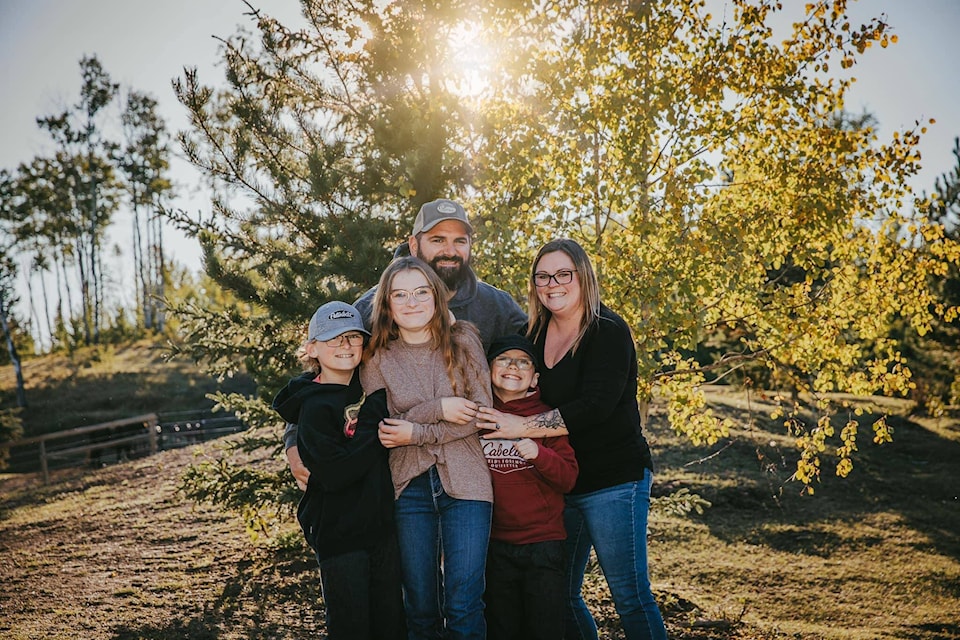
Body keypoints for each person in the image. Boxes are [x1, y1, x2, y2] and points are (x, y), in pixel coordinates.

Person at [476, 238, 668, 640]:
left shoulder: (608, 331)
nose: (553, 284)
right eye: (543, 276)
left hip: (613, 482)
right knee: (562, 596)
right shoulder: (536, 330)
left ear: (583, 277)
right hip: (560, 481)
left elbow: (595, 407)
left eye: (564, 274)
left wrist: (521, 429)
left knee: (629, 594)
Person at [284, 197, 526, 494]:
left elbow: (537, 353)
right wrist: (294, 441)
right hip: (400, 477)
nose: (450, 251)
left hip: (473, 474)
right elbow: (327, 367)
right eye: (437, 240)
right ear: (414, 245)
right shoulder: (375, 307)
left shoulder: (494, 305)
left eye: (459, 241)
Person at [361, 255, 494, 640]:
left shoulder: (463, 340)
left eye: (421, 292)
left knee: (464, 605)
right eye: (400, 295)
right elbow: (386, 429)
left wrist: (417, 431)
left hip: (467, 486)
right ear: (387, 304)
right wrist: (440, 409)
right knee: (419, 606)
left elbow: (481, 415)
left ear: (436, 298)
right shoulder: (376, 356)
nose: (412, 302)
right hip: (409, 488)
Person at [271, 301, 405, 640]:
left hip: (381, 531)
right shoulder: (313, 405)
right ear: (312, 348)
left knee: (390, 625)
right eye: (333, 338)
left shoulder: (369, 388)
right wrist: (374, 425)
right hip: (340, 535)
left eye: (352, 337)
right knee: (351, 626)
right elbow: (334, 473)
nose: (345, 345)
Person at [481, 333, 579, 640]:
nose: (513, 366)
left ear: (535, 378)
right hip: (494, 546)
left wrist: (539, 453)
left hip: (543, 545)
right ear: (488, 370)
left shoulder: (547, 420)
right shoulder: (479, 416)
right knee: (502, 627)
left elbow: (568, 478)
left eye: (523, 362)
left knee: (544, 628)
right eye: (504, 359)